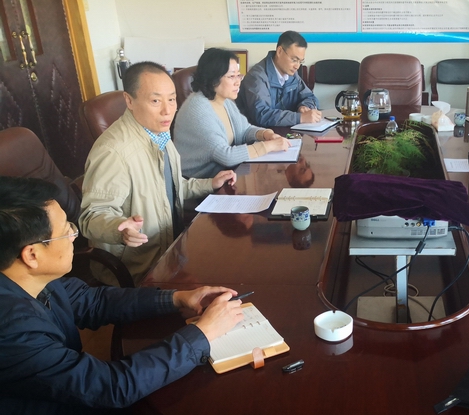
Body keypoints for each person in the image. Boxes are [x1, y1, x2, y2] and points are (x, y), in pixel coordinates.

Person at [0, 176, 246, 413]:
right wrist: (203, 334)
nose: (75, 235)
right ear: (31, 255)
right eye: (67, 230)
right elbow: (111, 387)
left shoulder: (29, 279)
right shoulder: (11, 330)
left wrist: (177, 298)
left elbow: (94, 302)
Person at [80, 62, 237, 286]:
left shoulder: (158, 134)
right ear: (129, 101)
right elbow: (92, 216)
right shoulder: (114, 152)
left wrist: (210, 183)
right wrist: (119, 229)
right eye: (155, 101)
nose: (167, 110)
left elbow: (168, 188)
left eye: (171, 99)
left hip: (170, 252)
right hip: (138, 269)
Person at [175, 48, 292, 178]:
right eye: (231, 76)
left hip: (224, 175)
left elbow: (244, 130)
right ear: (213, 78)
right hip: (199, 183)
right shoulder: (198, 109)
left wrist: (265, 134)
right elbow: (226, 156)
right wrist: (268, 146)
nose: (238, 82)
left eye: (238, 75)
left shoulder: (223, 100)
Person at [237, 30, 321, 127]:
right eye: (294, 60)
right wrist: (300, 118)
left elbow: (310, 97)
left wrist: (305, 106)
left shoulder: (292, 74)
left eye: (300, 61)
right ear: (280, 51)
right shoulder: (256, 77)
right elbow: (262, 115)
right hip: (260, 133)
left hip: (285, 131)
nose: (297, 66)